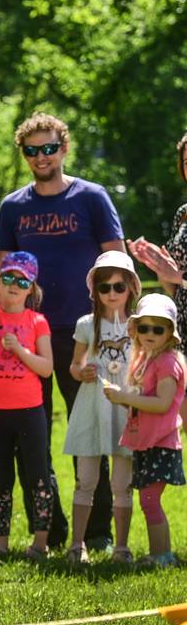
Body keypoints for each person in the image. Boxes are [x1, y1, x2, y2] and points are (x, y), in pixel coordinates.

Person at [0, 112, 125, 550]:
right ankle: (48, 532)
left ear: (64, 148)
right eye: (32, 150)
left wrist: (113, 324)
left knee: (89, 430)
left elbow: (116, 261)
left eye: (49, 148)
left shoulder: (91, 197)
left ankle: (99, 532)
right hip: (26, 335)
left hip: (84, 333)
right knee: (32, 439)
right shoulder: (13, 207)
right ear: (24, 155)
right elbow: (0, 271)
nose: (41, 157)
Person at [0, 252, 54, 561]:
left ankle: (40, 542)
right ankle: (1, 543)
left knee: (37, 476)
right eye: (7, 278)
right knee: (2, 477)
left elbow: (46, 367)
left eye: (22, 281)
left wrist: (19, 349)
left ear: (31, 288)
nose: (13, 286)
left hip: (30, 410)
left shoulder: (37, 321)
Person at [63, 251, 139, 566]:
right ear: (94, 289)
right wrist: (82, 372)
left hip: (126, 408)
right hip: (92, 406)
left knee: (122, 482)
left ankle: (122, 547)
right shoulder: (86, 324)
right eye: (104, 287)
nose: (111, 294)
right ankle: (76, 544)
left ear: (131, 288)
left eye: (118, 287)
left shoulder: (140, 325)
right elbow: (74, 365)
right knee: (86, 479)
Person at [105, 293, 185, 568]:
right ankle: (160, 554)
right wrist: (122, 395)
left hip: (161, 443)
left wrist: (124, 398)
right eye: (144, 327)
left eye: (158, 328)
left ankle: (162, 556)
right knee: (148, 500)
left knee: (150, 500)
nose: (150, 333)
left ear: (170, 334)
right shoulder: (146, 359)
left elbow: (163, 404)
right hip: (147, 441)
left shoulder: (167, 362)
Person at [126, 131, 187, 425]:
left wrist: (180, 277)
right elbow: (174, 281)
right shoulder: (182, 215)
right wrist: (159, 266)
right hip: (182, 325)